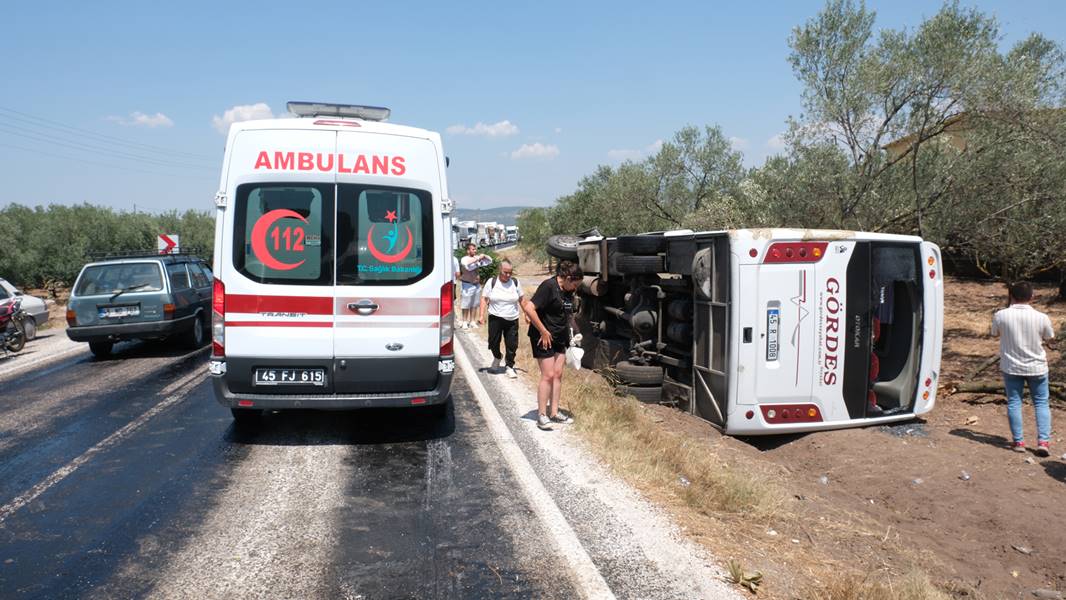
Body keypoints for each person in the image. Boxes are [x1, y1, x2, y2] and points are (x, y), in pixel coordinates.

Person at [991, 281, 1056, 456]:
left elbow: (994, 333)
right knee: (1041, 403)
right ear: (1032, 297)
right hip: (1037, 367)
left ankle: (1019, 441)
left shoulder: (1000, 315)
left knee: (1014, 403)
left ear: (1011, 296)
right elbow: (1050, 337)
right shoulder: (1042, 317)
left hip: (1011, 367)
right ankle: (1043, 442)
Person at [524, 260, 583, 430]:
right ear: (566, 278)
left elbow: (567, 314)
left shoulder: (567, 291)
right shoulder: (548, 286)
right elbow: (529, 308)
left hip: (560, 337)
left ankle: (554, 412)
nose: (575, 289)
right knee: (548, 375)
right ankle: (542, 415)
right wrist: (542, 330)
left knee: (557, 374)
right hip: (543, 337)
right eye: (575, 284)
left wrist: (573, 333)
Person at [478, 259, 527, 379]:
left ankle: (509, 366)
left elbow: (522, 300)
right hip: (495, 317)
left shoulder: (515, 282)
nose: (508, 275)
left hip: (512, 319)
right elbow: (484, 299)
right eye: (506, 272)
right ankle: (497, 356)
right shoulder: (492, 282)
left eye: (510, 272)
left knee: (512, 344)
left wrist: (527, 314)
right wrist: (481, 315)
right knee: (493, 342)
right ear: (500, 270)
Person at [458, 243, 488, 328]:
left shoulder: (476, 258)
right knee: (466, 304)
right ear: (468, 250)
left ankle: (472, 321)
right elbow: (466, 264)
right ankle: (464, 321)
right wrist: (478, 258)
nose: (475, 251)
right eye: (473, 249)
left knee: (475, 304)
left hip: (477, 284)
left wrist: (483, 257)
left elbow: (487, 261)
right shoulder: (464, 259)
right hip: (467, 284)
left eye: (475, 249)